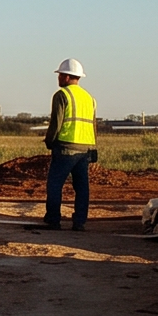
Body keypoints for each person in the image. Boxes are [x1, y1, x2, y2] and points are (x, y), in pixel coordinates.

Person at [44, 57, 97, 231]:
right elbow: (93, 125)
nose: (58, 78)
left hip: (66, 147)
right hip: (85, 149)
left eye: (60, 75)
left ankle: (53, 219)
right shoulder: (89, 98)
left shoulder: (61, 95)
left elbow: (56, 123)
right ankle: (80, 221)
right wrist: (94, 149)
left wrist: (50, 141)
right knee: (82, 187)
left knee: (54, 184)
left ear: (66, 77)